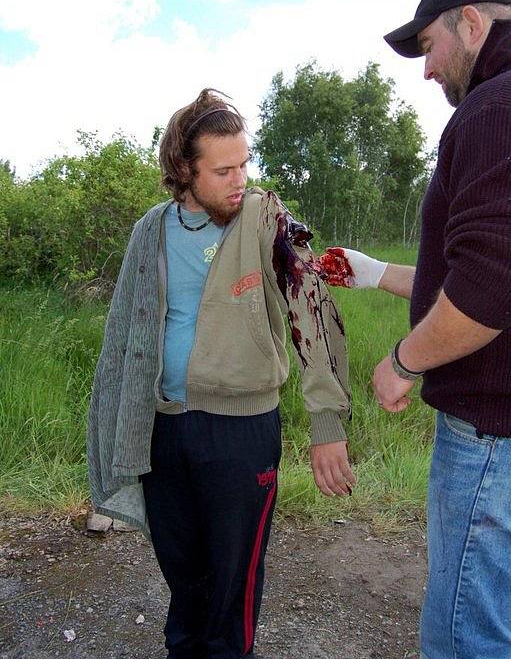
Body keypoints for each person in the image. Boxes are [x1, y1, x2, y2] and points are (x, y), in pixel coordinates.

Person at [87, 88, 354, 659]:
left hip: (241, 431)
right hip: (166, 429)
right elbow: (125, 338)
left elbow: (311, 304)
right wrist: (117, 430)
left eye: (244, 164)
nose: (240, 180)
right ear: (185, 169)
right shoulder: (150, 231)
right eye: (224, 169)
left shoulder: (266, 217)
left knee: (233, 587)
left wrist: (326, 425)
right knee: (185, 581)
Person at [322, 0, 511, 659]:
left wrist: (404, 361)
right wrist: (373, 275)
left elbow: (491, 287)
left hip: (492, 438)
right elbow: (466, 273)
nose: (426, 70)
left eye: (428, 45)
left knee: (465, 635)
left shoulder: (493, 109)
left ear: (471, 24)